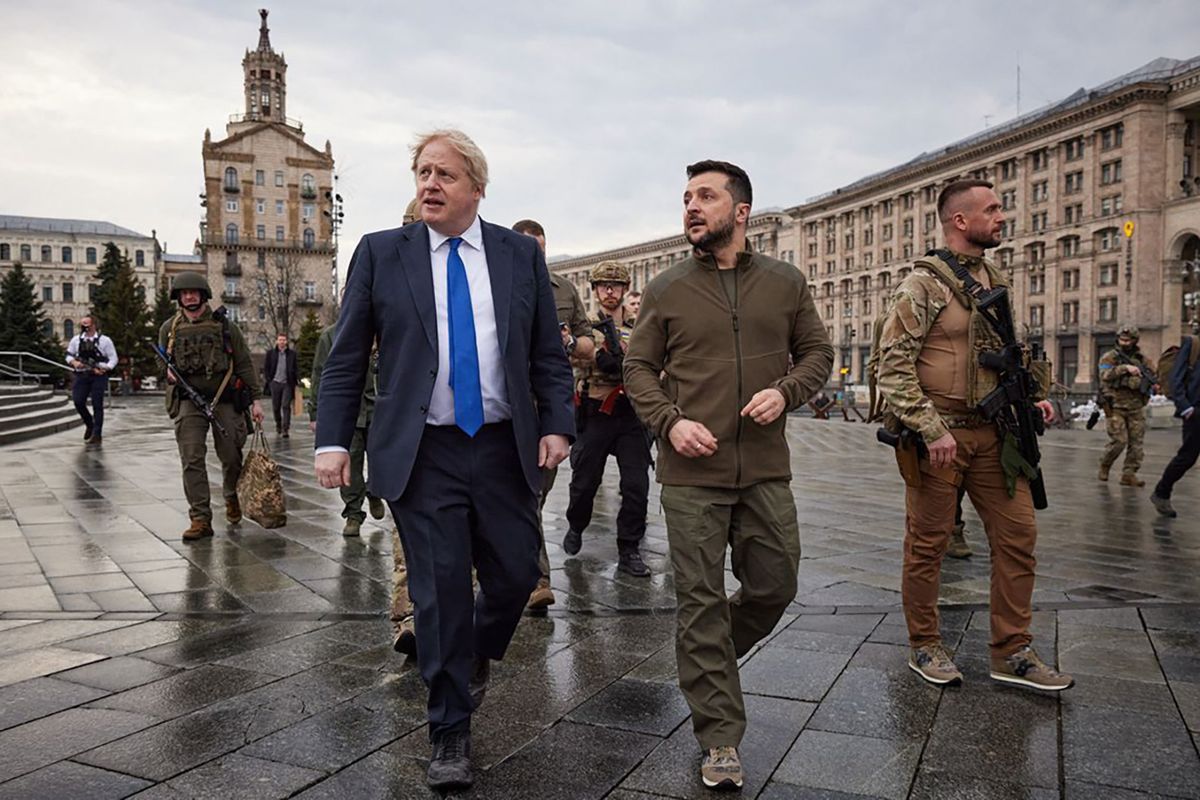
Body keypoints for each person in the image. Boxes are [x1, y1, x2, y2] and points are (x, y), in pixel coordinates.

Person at [313, 129, 574, 791]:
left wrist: (558, 426)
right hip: (422, 451)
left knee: (517, 575)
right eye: (422, 173)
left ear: (476, 188)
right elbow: (346, 357)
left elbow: (548, 353)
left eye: (444, 175)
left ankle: (475, 654)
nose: (428, 184)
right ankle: (449, 730)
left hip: (502, 445)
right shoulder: (380, 254)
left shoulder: (519, 256)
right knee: (440, 595)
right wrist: (333, 440)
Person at [624, 160, 833, 791]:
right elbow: (637, 369)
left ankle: (704, 658)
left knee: (775, 585)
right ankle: (719, 735)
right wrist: (670, 423)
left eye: (706, 196)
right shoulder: (666, 289)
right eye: (686, 197)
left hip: (765, 466)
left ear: (740, 211)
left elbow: (818, 354)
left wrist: (787, 391)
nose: (691, 206)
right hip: (691, 473)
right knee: (700, 601)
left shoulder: (786, 282)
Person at [874, 179, 1072, 693]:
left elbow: (1002, 355)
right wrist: (929, 426)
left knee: (1019, 538)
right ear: (960, 221)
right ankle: (925, 644)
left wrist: (1030, 398)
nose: (1002, 216)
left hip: (995, 435)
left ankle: (1013, 651)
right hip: (938, 441)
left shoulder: (993, 277)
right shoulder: (923, 284)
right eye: (992, 209)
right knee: (928, 545)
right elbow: (890, 366)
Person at [512, 218, 594, 608]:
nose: (535, 254)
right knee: (516, 496)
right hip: (505, 406)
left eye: (540, 248)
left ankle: (530, 575)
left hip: (546, 407)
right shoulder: (494, 280)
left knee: (535, 495)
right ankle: (532, 577)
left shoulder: (564, 289)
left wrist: (572, 341)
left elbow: (588, 344)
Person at [159, 271, 264, 541]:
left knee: (231, 456)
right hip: (188, 401)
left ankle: (231, 496)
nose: (189, 296)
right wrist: (167, 373)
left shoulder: (227, 328)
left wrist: (255, 400)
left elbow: (243, 364)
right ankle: (200, 518)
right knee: (191, 458)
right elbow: (163, 362)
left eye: (194, 292)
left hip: (224, 399)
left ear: (204, 295)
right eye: (184, 293)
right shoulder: (169, 329)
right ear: (178, 297)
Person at [564, 260, 653, 577]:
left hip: (631, 413)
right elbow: (573, 357)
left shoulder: (642, 325)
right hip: (596, 409)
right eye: (604, 285)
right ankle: (576, 523)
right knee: (585, 481)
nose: (610, 291)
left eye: (616, 285)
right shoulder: (585, 326)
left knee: (636, 485)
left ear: (625, 289)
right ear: (596, 290)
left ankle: (629, 548)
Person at [1097, 325, 1154, 486]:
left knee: (1136, 445)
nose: (1125, 342)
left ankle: (1129, 474)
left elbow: (1151, 376)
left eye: (1128, 340)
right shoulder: (1110, 357)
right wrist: (1125, 368)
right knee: (1119, 441)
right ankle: (1105, 465)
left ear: (1135, 341)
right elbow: (1104, 375)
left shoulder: (1142, 360)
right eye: (1122, 339)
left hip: (1136, 406)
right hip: (1115, 406)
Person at [1151, 334, 1200, 517]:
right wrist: (1185, 407)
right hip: (1195, 410)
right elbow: (1176, 377)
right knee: (1187, 457)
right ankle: (1161, 493)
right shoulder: (1193, 343)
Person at [65, 314, 117, 445]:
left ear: (93, 325)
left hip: (98, 376)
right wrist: (73, 362)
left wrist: (105, 368)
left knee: (97, 404)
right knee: (78, 401)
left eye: (87, 325)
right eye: (82, 325)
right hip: (82, 374)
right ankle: (90, 424)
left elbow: (113, 359)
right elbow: (68, 355)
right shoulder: (76, 340)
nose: (84, 327)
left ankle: (97, 434)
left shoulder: (105, 340)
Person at [263, 333, 299, 437]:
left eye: (284, 340)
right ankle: (278, 424)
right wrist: (270, 380)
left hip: (287, 383)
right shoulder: (271, 353)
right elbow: (266, 368)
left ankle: (285, 428)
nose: (282, 342)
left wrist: (296, 380)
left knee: (285, 405)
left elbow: (296, 368)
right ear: (277, 341)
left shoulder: (292, 354)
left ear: (286, 342)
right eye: (280, 340)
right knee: (276, 407)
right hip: (275, 383)